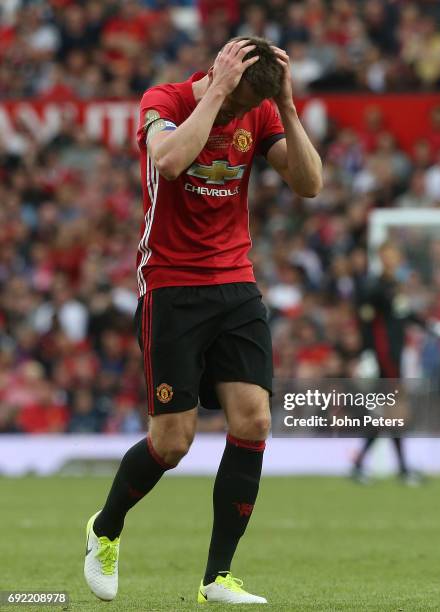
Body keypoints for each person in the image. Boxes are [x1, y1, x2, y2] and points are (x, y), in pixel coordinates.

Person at [83, 36, 322, 605]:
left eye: (247, 109)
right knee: (173, 442)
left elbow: (310, 184)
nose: (240, 117)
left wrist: (286, 107)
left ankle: (218, 577)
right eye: (238, 103)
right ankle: (105, 529)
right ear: (220, 75)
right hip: (170, 284)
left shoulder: (260, 110)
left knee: (254, 420)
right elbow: (167, 162)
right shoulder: (163, 101)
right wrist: (218, 91)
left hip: (235, 282)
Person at [350, 241, 440, 484]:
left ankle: (366, 465)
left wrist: (434, 327)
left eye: (395, 255)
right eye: (388, 255)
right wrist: (367, 353)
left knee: (387, 414)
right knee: (396, 411)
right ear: (381, 257)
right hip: (385, 356)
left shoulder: (394, 287)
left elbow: (405, 315)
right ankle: (400, 469)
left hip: (395, 355)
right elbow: (366, 323)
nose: (392, 260)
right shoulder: (375, 287)